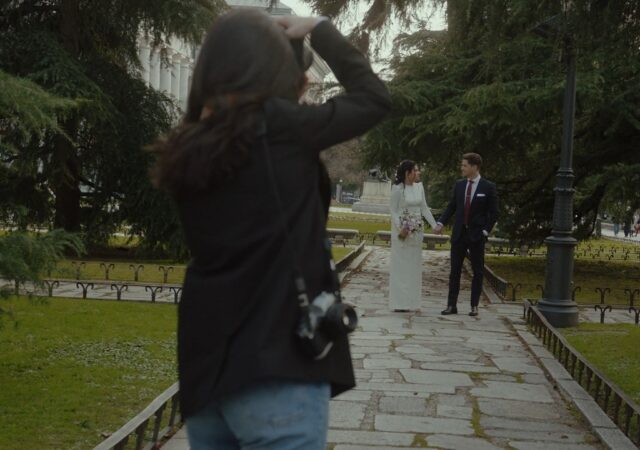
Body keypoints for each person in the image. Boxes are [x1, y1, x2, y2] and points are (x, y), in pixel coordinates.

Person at [150, 11, 390, 450]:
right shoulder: (282, 128)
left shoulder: (187, 145)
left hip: (207, 372)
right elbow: (374, 97)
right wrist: (319, 29)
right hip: (279, 363)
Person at [433, 153, 499, 317]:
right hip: (459, 235)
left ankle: (474, 306)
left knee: (478, 271)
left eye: (464, 166)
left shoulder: (488, 187)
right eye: (462, 165)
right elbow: (452, 206)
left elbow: (494, 212)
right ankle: (451, 305)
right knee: (454, 270)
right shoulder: (460, 185)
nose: (461, 168)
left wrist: (485, 230)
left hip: (477, 235)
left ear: (475, 167)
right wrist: (440, 222)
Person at [388, 160, 437, 312]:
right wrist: (400, 227)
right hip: (402, 231)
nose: (418, 173)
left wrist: (435, 225)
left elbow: (424, 208)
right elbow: (393, 211)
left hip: (416, 231)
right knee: (401, 267)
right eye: (415, 170)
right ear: (407, 173)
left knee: (413, 267)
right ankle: (399, 303)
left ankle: (412, 302)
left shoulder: (419, 187)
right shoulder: (397, 189)